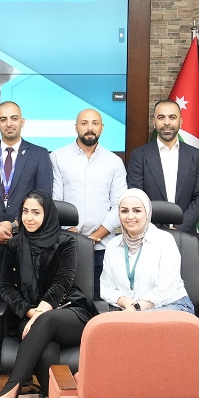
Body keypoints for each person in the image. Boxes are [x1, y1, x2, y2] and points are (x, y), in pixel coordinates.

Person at [0, 191, 92, 398]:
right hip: (28, 314)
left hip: (67, 311)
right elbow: (5, 287)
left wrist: (41, 313)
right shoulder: (14, 244)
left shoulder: (66, 242)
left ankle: (10, 391)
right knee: (45, 345)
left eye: (36, 212)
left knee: (46, 322)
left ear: (47, 214)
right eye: (25, 212)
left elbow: (62, 283)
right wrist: (30, 312)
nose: (29, 218)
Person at [0, 101, 54, 383]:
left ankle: (25, 362)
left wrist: (15, 224)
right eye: (3, 119)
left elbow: (43, 200)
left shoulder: (40, 155)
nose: (9, 123)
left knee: (27, 302)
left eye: (14, 118)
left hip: (28, 244)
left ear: (22, 121)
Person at [52, 108, 127, 297]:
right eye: (84, 123)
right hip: (67, 244)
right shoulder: (57, 157)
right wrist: (72, 232)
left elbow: (119, 205)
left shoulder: (114, 162)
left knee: (101, 301)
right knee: (68, 301)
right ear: (76, 127)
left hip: (103, 247)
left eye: (95, 123)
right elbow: (55, 201)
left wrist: (97, 235)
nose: (89, 128)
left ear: (102, 127)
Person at [101, 189, 198, 315]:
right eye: (124, 211)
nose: (130, 216)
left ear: (147, 213)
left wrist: (137, 308)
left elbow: (166, 287)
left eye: (137, 211)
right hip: (131, 312)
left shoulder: (165, 241)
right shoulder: (112, 245)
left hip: (172, 306)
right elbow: (107, 288)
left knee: (142, 324)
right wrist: (128, 303)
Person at [126, 99, 199, 233]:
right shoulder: (139, 156)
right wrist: (157, 231)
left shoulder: (195, 155)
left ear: (180, 122)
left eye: (172, 117)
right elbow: (136, 197)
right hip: (150, 234)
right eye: (161, 118)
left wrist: (180, 227)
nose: (167, 122)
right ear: (154, 122)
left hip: (185, 234)